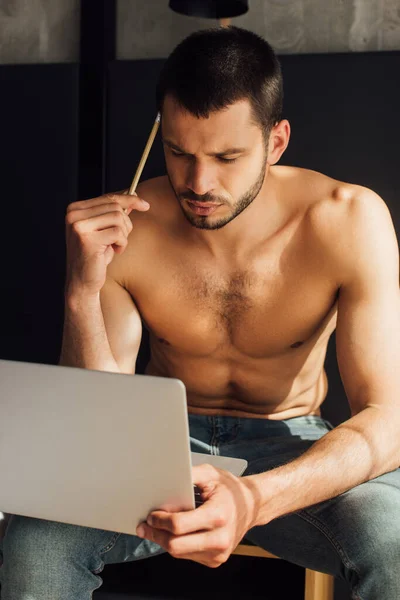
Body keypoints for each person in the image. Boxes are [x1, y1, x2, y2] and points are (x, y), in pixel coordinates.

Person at [1, 25, 399, 600]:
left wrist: (257, 497)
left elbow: (386, 419)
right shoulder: (126, 228)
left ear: (277, 141)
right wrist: (81, 293)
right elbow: (101, 415)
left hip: (291, 445)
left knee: (393, 539)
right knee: (33, 542)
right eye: (179, 153)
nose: (199, 183)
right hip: (154, 448)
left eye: (228, 156)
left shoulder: (347, 220)